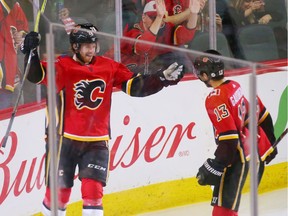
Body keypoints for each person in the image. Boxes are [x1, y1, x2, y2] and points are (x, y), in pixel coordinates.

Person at [21, 23, 184, 216]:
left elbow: (134, 87)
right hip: (63, 141)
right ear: (75, 47)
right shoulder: (62, 65)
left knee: (93, 192)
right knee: (59, 194)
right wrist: (31, 52)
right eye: (87, 45)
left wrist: (161, 79)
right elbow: (35, 75)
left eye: (93, 44)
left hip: (96, 142)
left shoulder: (108, 66)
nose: (92, 49)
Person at [193, 49, 278, 216]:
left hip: (234, 157)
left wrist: (217, 165)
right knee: (226, 208)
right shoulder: (234, 86)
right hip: (246, 154)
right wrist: (270, 142)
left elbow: (230, 138)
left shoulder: (214, 98)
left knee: (223, 210)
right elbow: (259, 115)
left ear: (204, 75)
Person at [105, 0, 200, 74]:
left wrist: (193, 14)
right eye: (152, 18)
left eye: (159, 18)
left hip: (143, 72)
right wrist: (159, 18)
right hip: (116, 69)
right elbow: (142, 47)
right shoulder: (133, 29)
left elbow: (185, 36)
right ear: (143, 17)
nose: (156, 22)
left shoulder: (164, 28)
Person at [0, 0, 29, 109]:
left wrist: (20, 36)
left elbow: (23, 28)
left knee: (17, 109)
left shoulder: (15, 6)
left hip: (11, 68)